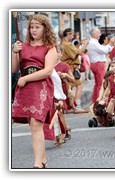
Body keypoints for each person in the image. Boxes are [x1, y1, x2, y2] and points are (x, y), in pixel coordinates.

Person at [12, 14, 58, 168]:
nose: (33, 30)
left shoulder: (50, 48)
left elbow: (47, 71)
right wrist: (14, 52)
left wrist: (26, 79)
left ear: (45, 28)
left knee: (36, 123)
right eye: (31, 27)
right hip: (25, 89)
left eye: (37, 27)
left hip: (41, 87)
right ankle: (43, 160)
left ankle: (37, 163)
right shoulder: (23, 46)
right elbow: (14, 69)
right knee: (33, 125)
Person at [61, 28, 89, 113]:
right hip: (71, 68)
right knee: (77, 86)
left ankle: (69, 106)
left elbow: (75, 51)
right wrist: (85, 44)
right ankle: (76, 106)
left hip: (70, 68)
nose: (73, 36)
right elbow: (80, 52)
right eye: (72, 34)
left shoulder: (65, 44)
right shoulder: (67, 45)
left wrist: (80, 43)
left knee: (69, 87)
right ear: (68, 34)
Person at [87, 27, 115, 103]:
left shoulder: (92, 42)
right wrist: (109, 44)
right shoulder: (93, 42)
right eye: (98, 33)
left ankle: (96, 100)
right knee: (100, 84)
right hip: (98, 64)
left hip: (95, 63)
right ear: (94, 34)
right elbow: (104, 50)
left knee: (97, 84)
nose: (100, 35)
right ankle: (98, 101)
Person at [55, 46, 75, 141]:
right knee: (56, 113)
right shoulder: (47, 65)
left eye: (58, 52)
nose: (55, 54)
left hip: (62, 90)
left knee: (59, 111)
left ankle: (63, 133)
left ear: (61, 54)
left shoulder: (64, 66)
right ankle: (66, 128)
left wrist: (65, 75)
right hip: (51, 90)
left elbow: (73, 79)